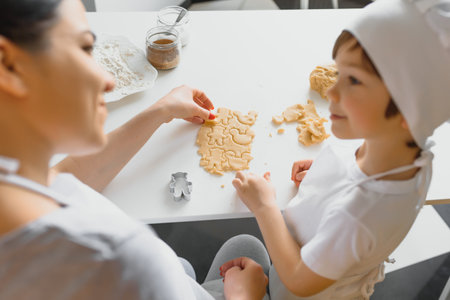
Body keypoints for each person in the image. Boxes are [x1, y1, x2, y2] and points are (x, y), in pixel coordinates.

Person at [0, 0, 270, 299]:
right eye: (85, 49)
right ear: (9, 65)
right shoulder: (120, 259)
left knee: (223, 254)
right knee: (251, 251)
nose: (108, 79)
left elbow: (67, 177)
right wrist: (244, 297)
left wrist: (161, 111)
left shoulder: (17, 184)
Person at [229, 0, 450, 299]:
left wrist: (264, 206)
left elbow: (298, 279)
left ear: (407, 110)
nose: (332, 91)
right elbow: (359, 168)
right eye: (338, 73)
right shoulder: (409, 151)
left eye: (354, 80)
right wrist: (325, 178)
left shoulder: (358, 215)